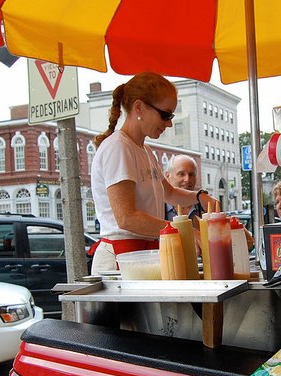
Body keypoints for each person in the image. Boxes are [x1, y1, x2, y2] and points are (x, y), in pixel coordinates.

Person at [90, 72, 220, 275]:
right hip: (121, 257)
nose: (168, 123)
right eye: (165, 114)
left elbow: (169, 193)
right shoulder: (118, 148)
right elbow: (127, 218)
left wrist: (198, 196)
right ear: (139, 107)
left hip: (141, 254)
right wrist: (183, 231)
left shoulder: (145, 150)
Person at [164, 154, 203, 221]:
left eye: (191, 175)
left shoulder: (205, 207)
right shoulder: (157, 209)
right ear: (167, 176)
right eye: (181, 174)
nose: (187, 180)